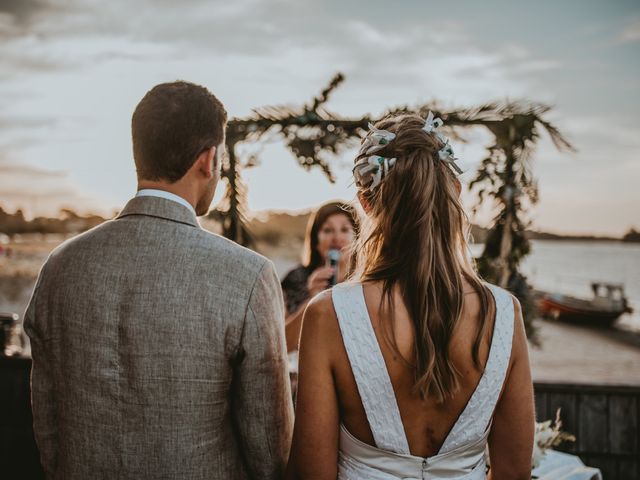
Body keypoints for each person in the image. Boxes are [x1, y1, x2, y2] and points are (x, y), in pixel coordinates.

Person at [24, 81, 293, 480]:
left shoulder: (61, 265)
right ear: (208, 159)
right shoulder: (246, 275)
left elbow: (47, 424)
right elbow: (269, 449)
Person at [287, 113, 535, 479]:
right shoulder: (504, 313)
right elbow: (514, 472)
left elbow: (311, 475)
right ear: (455, 190)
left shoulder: (329, 314)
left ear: (366, 204)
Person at [281, 201, 357, 354]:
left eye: (344, 229)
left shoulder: (366, 281)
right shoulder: (296, 278)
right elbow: (283, 346)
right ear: (315, 240)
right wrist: (312, 299)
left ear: (358, 238)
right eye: (328, 230)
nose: (337, 238)